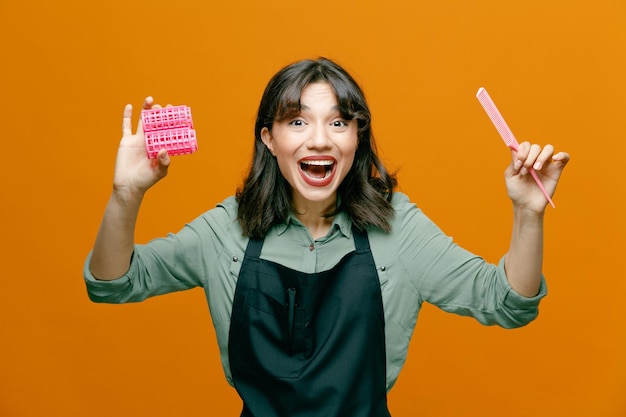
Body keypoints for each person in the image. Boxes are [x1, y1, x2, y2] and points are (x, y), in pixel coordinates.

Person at [84, 57, 570, 417]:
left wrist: (529, 214)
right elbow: (112, 284)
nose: (320, 139)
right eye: (298, 121)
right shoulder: (226, 229)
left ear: (356, 139)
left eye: (339, 122)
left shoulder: (395, 226)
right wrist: (126, 195)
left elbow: (507, 304)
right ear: (268, 139)